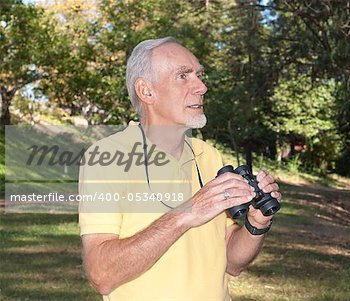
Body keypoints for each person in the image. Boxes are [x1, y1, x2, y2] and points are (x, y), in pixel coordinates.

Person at [78, 37, 282, 301]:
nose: (202, 87)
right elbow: (102, 275)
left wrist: (256, 223)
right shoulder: (106, 157)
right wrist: (186, 213)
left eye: (199, 75)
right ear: (146, 91)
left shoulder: (209, 156)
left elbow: (232, 262)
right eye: (183, 76)